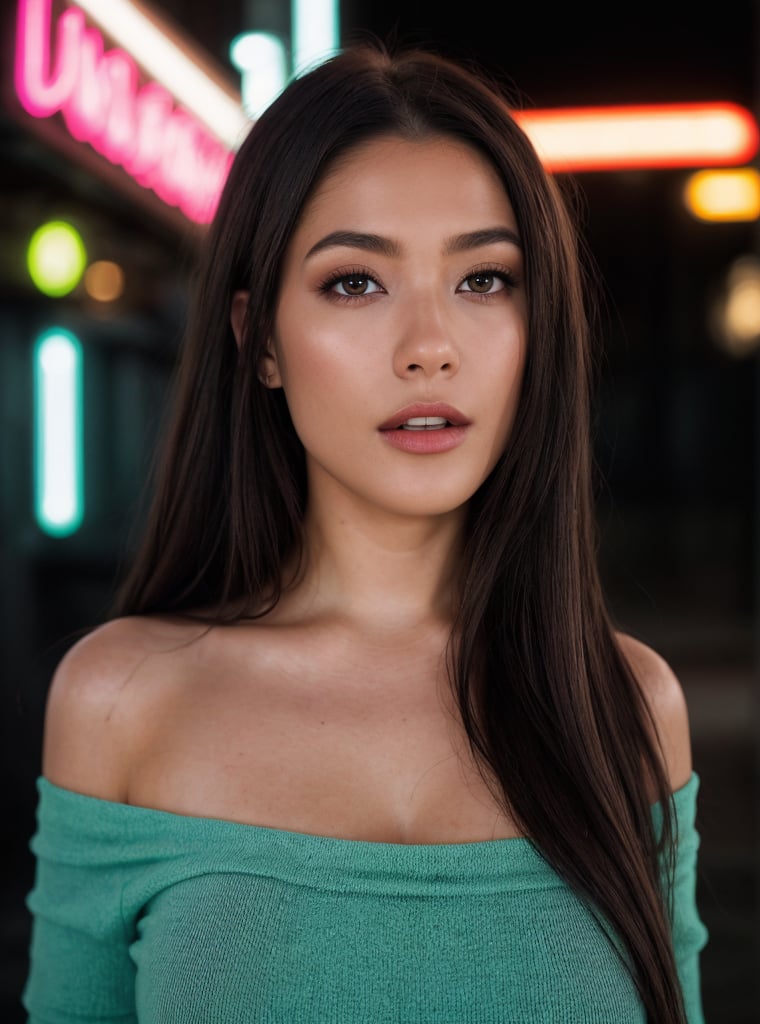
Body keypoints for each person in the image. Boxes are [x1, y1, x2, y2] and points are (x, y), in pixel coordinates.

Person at [22, 40, 708, 1024]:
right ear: (257, 339)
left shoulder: (627, 707)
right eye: (355, 282)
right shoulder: (123, 699)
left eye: (484, 281)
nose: (429, 347)